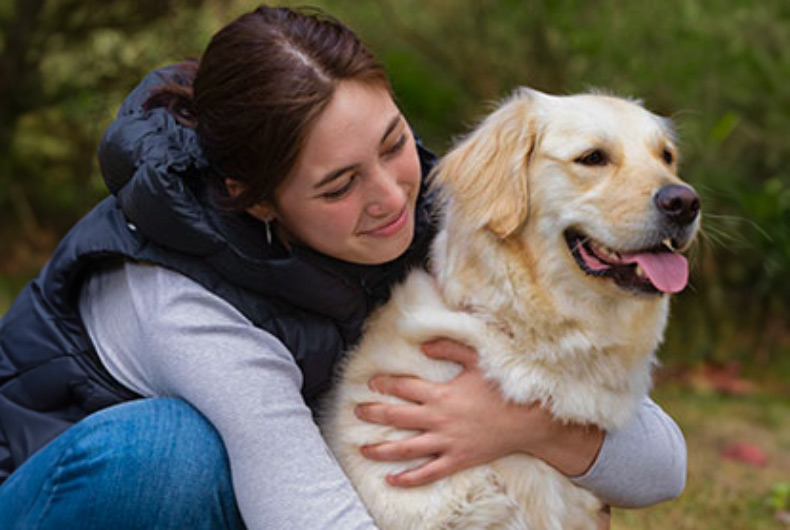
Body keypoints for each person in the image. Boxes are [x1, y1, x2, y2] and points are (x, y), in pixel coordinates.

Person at [0, 5, 686, 529]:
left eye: (393, 144)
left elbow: (662, 464)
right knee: (170, 453)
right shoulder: (179, 302)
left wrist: (526, 422)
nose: (391, 198)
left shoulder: (430, 214)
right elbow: (306, 511)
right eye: (338, 186)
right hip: (56, 491)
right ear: (258, 200)